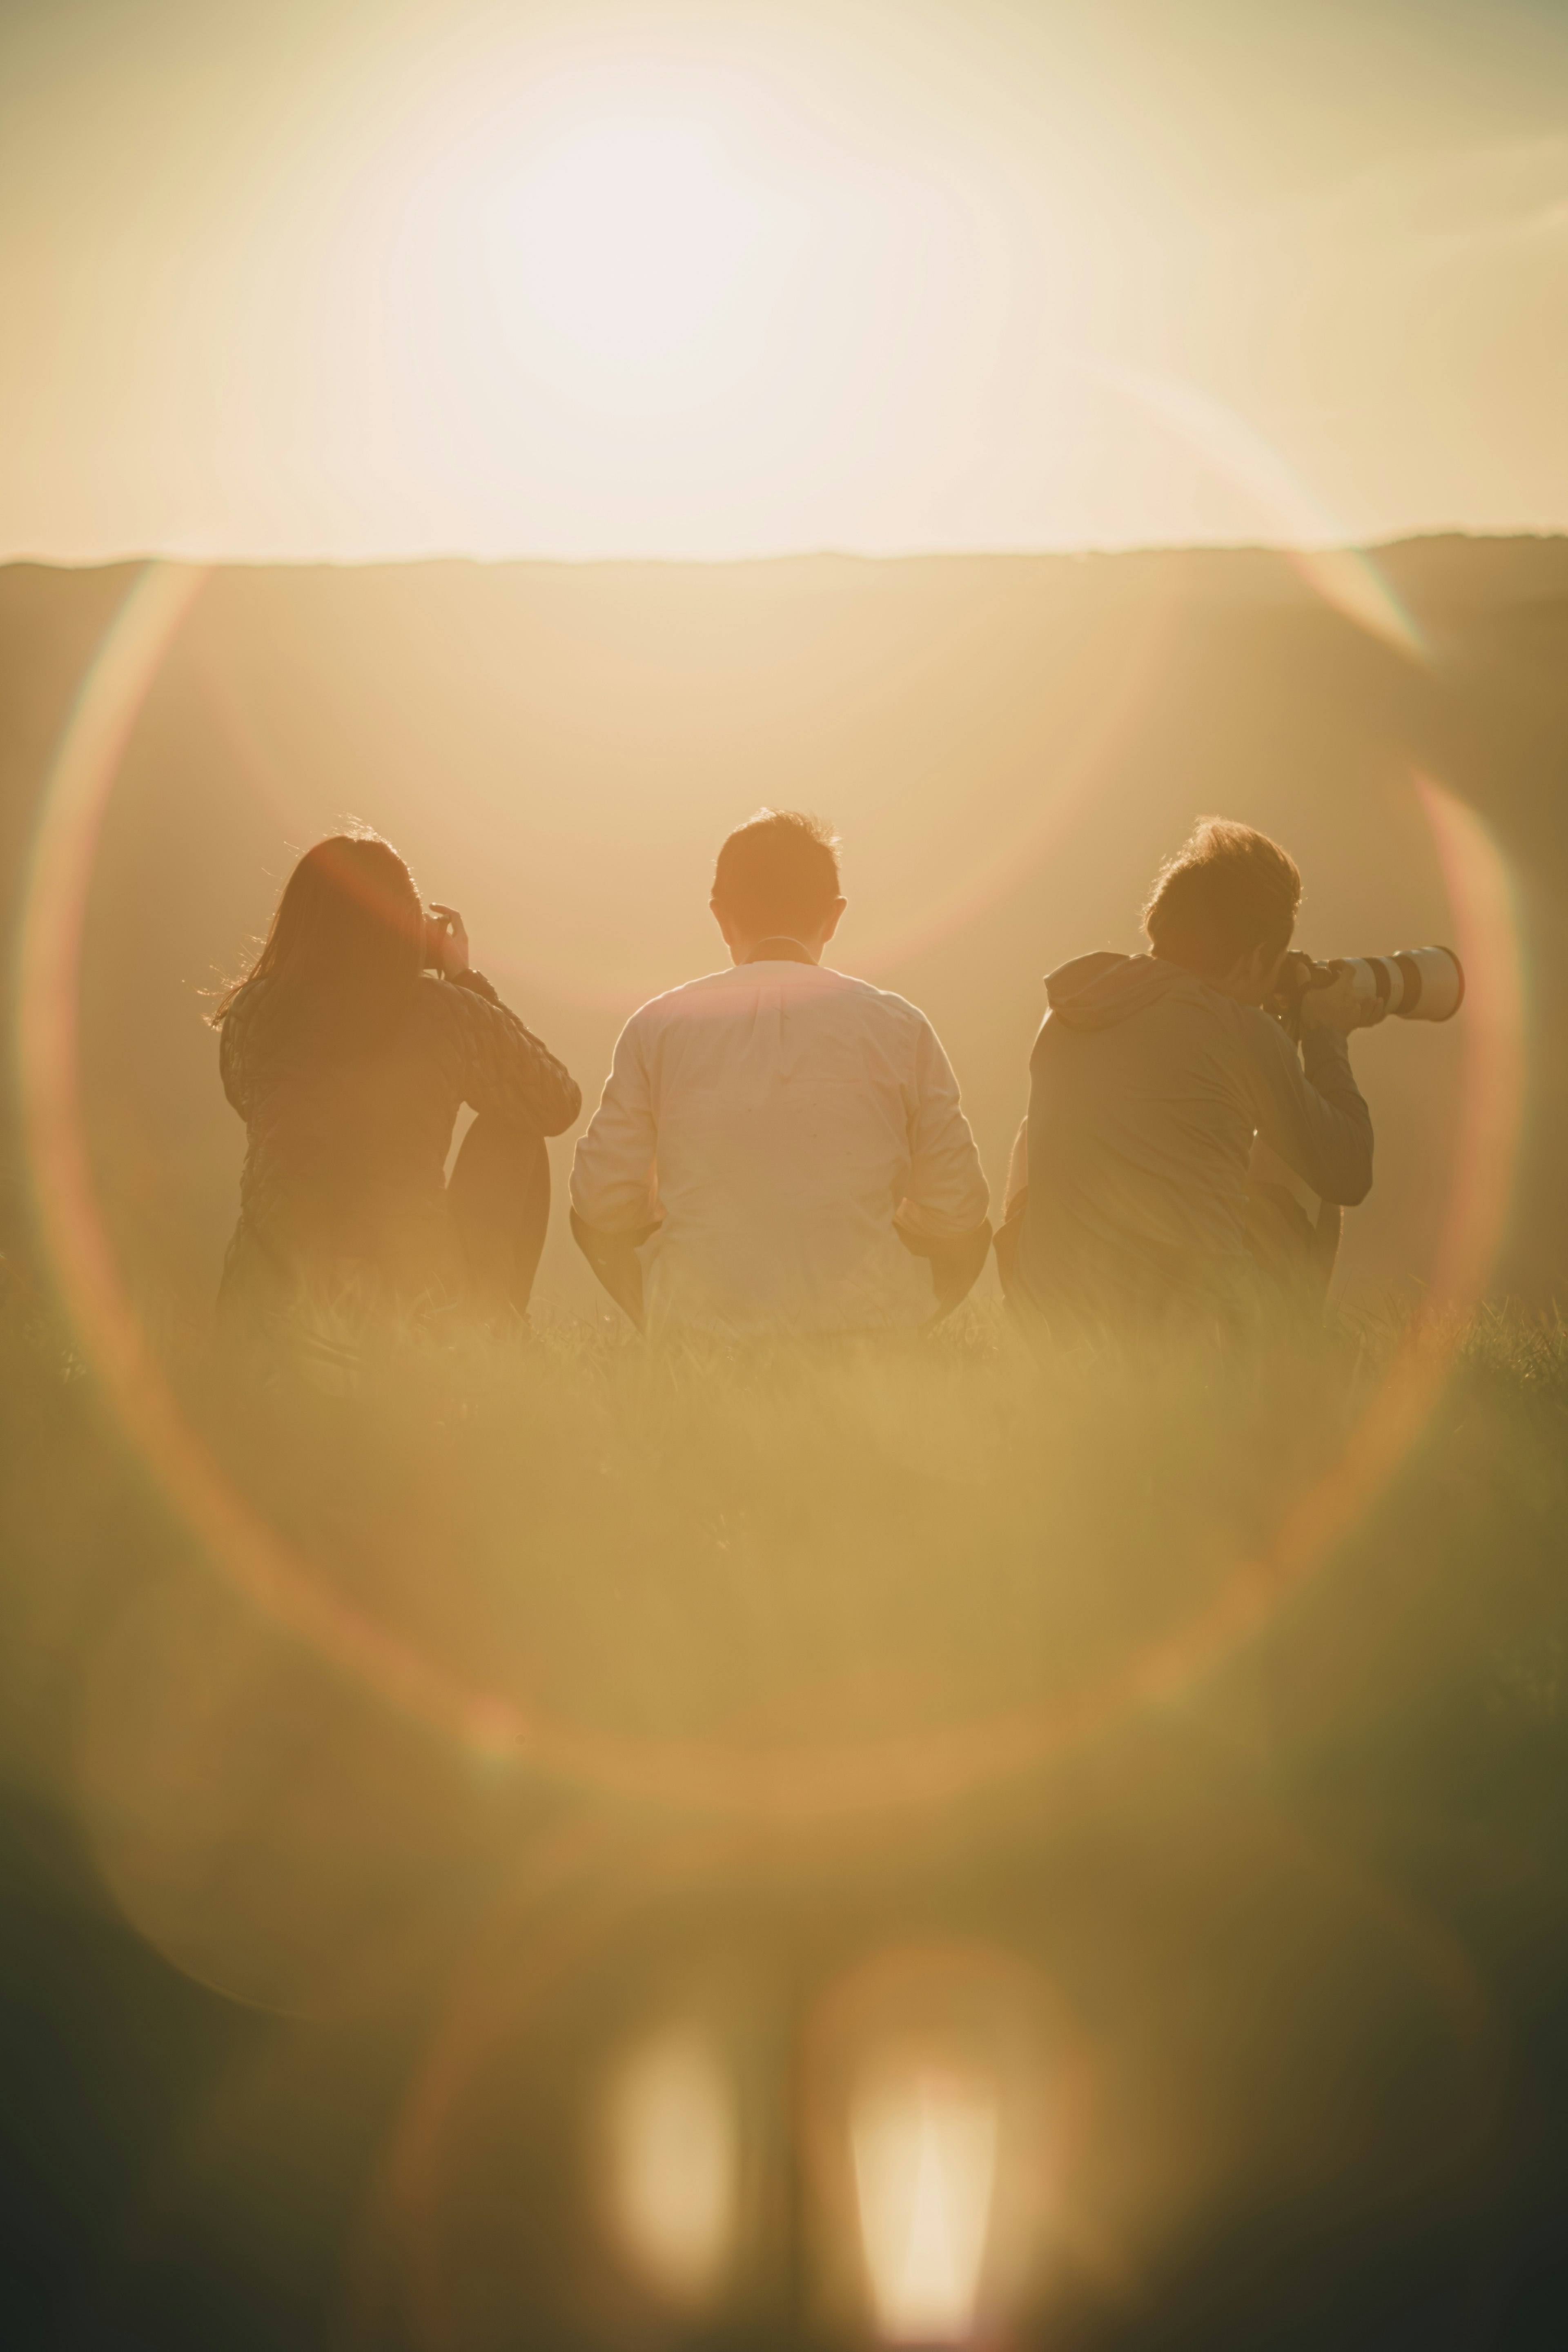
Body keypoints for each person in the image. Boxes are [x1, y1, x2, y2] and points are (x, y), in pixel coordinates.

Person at [569, 810, 990, 1337]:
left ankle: (668, 1328)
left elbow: (601, 1202)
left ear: (721, 917)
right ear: (834, 917)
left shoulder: (658, 1025)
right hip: (866, 1328)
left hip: (700, 1331)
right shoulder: (901, 1026)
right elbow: (959, 1209)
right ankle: (899, 1332)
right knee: (973, 1235)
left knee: (586, 1222)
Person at [996, 818, 1371, 1340]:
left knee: (1027, 1136)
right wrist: (1327, 1036)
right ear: (1259, 956)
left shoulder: (1073, 1004)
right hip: (1198, 1344)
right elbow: (1349, 1172)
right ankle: (1295, 1355)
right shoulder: (1243, 1033)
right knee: (1308, 1154)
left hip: (1052, 1333)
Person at [212, 831, 580, 1355]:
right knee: (517, 1133)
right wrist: (463, 977)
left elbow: (245, 1098)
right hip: (409, 1293)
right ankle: (494, 1339)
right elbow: (556, 1102)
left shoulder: (255, 1012)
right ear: (407, 923)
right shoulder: (446, 1010)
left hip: (264, 1303)